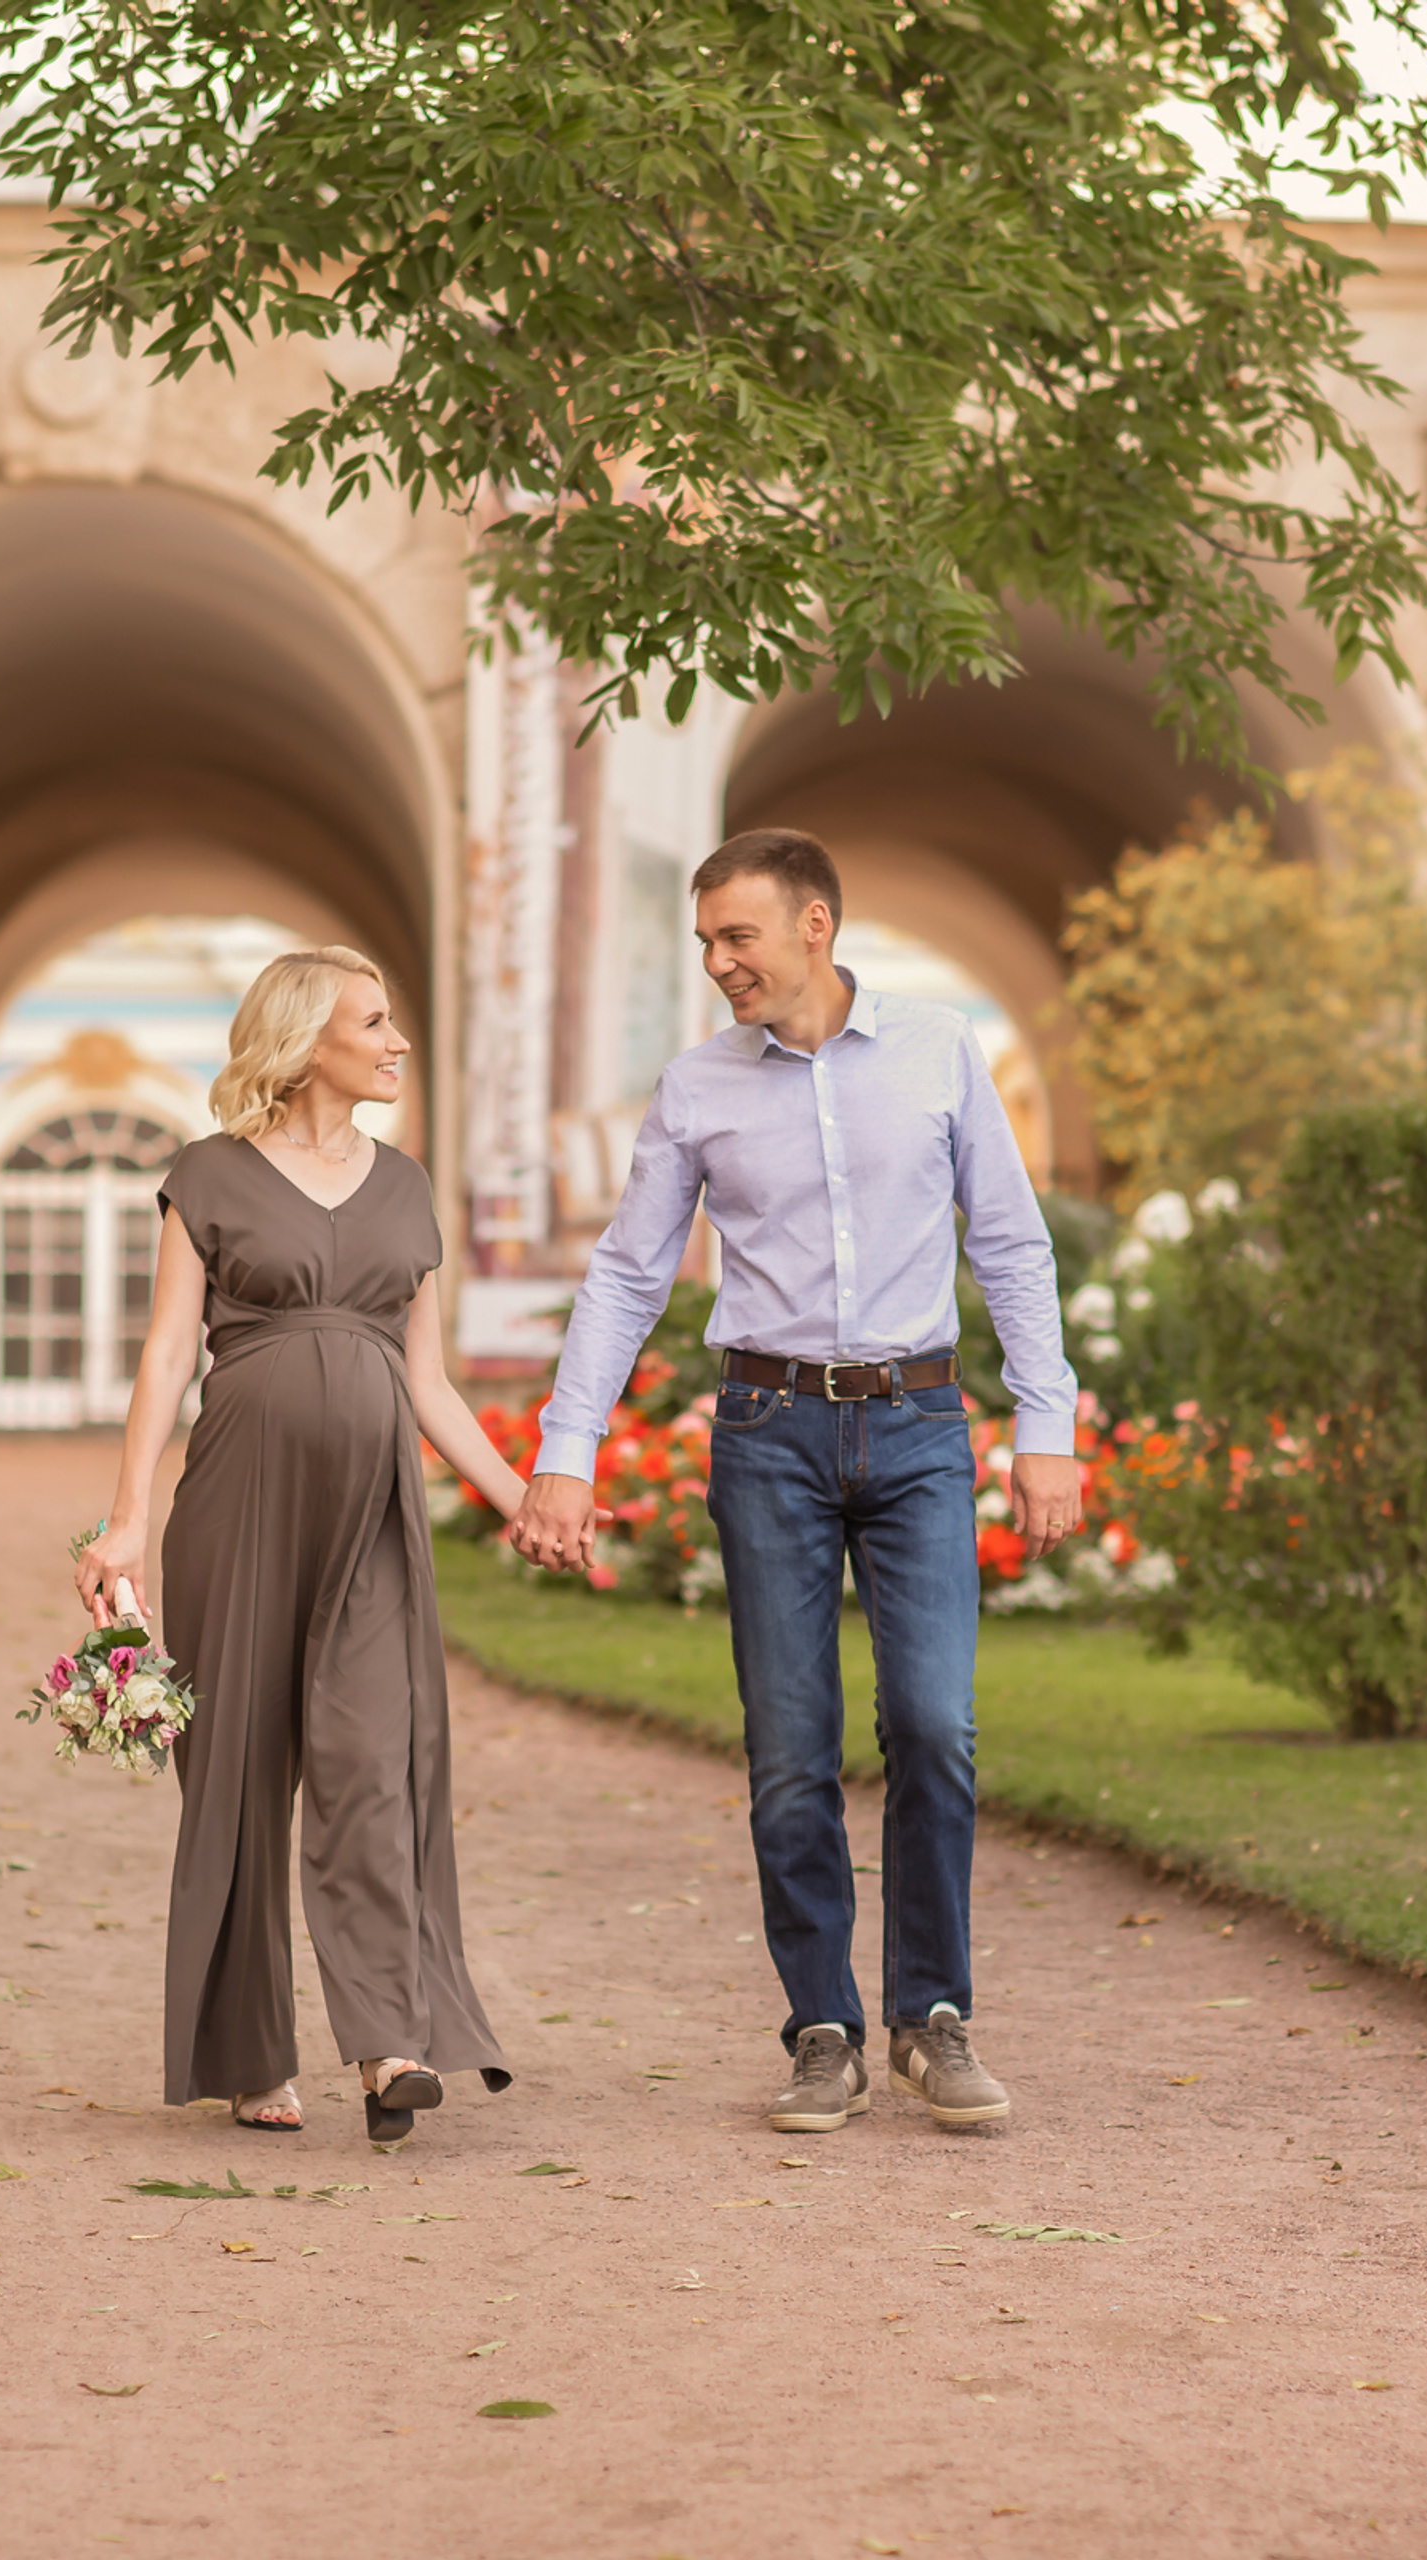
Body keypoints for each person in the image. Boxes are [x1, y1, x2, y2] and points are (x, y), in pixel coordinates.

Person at [512, 830, 1081, 2133]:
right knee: (789, 1749)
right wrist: (565, 1452)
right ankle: (822, 2027)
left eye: (738, 936)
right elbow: (627, 1275)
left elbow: (1009, 1241)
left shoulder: (939, 1050)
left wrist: (1045, 1421)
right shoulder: (697, 1087)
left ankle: (931, 2018)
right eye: (706, 942)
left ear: (814, 924)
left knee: (934, 1725)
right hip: (767, 1429)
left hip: (920, 1423)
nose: (718, 963)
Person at [75, 946, 528, 2145]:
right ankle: (249, 2053)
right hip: (239, 1501)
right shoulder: (208, 1175)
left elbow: (428, 1380)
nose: (395, 1042)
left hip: (371, 1511)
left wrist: (518, 1499)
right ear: (303, 1039)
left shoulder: (406, 1187)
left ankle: (388, 2047)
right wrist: (130, 1516)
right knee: (235, 1770)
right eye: (372, 1023)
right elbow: (167, 1353)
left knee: (372, 1760)